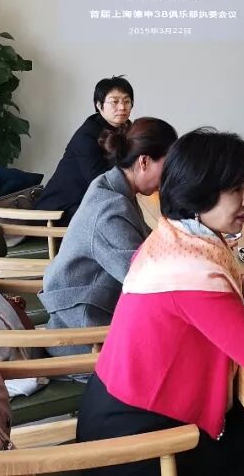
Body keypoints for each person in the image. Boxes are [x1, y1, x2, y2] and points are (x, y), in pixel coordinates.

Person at [75, 129, 244, 476]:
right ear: (200, 192)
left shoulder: (175, 236)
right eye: (236, 189)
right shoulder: (188, 271)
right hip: (138, 444)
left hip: (122, 408)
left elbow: (189, 306)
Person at [39, 117, 177, 356]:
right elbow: (145, 280)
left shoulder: (111, 184)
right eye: (167, 167)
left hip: (90, 309)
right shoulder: (110, 209)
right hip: (85, 334)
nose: (169, 178)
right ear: (144, 161)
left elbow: (147, 245)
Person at [37, 76, 135, 225]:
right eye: (115, 102)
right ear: (99, 105)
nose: (122, 107)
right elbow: (99, 181)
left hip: (92, 202)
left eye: (127, 101)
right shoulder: (87, 135)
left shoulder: (127, 129)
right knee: (121, 215)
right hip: (62, 209)